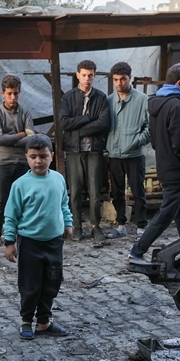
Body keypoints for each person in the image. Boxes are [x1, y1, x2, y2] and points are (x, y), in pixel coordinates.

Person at [3, 134, 73, 339]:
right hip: (30, 243)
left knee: (51, 283)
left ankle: (44, 322)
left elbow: (63, 203)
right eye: (33, 157)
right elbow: (11, 215)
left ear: (52, 155)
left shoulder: (58, 179)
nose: (38, 161)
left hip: (54, 242)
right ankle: (26, 320)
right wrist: (9, 242)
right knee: (30, 285)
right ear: (26, 156)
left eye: (43, 156)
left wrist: (68, 222)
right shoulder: (20, 185)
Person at [128, 64, 180, 265]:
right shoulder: (175, 106)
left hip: (166, 166)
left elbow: (155, 139)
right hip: (176, 169)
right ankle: (137, 251)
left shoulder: (157, 104)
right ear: (179, 83)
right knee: (166, 214)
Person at [59, 60, 110, 239]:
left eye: (90, 75)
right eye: (84, 75)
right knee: (75, 190)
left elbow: (103, 123)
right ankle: (77, 227)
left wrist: (79, 130)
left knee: (95, 190)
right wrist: (87, 118)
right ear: (77, 75)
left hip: (94, 149)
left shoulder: (101, 97)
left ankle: (96, 226)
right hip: (74, 149)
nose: (87, 78)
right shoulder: (68, 97)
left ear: (94, 76)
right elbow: (64, 122)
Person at [104, 61, 150, 239]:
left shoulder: (142, 99)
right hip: (114, 154)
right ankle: (121, 225)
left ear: (130, 78)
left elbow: (150, 127)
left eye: (122, 79)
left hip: (134, 155)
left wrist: (137, 141)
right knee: (117, 192)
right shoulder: (109, 100)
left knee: (138, 191)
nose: (119, 83)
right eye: (115, 79)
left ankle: (141, 226)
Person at [0, 74, 35, 246]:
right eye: (9, 93)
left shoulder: (25, 112)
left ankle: (21, 231)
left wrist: (10, 139)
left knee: (23, 200)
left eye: (16, 93)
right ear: (2, 93)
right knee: (0, 200)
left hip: (22, 162)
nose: (13, 97)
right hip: (2, 163)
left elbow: (31, 139)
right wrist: (19, 135)